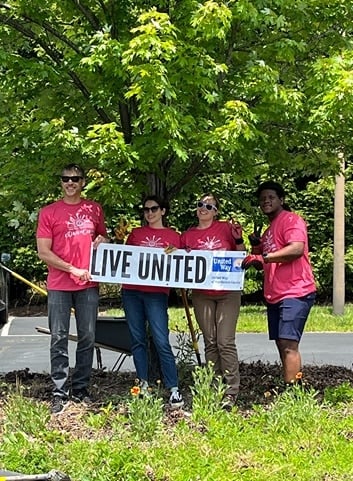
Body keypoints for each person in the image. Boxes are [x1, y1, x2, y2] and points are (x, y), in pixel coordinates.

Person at [36, 163, 109, 414]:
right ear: (61, 182)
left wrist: (103, 240)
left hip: (88, 283)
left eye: (75, 179)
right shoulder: (49, 212)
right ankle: (59, 391)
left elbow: (103, 239)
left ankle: (81, 389)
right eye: (66, 179)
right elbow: (43, 252)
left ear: (82, 182)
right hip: (59, 284)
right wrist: (71, 269)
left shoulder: (94, 209)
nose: (70, 183)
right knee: (58, 337)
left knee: (87, 337)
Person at [242, 181, 316, 384]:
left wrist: (264, 257)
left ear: (281, 200)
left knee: (288, 343)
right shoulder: (268, 232)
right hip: (275, 294)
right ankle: (290, 384)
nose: (266, 201)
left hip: (295, 290)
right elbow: (262, 264)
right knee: (281, 343)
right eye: (262, 199)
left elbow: (296, 249)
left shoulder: (291, 220)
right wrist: (256, 248)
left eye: (271, 197)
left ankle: (293, 392)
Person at [180, 193, 245, 410]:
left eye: (209, 206)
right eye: (200, 204)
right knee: (210, 341)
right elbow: (180, 263)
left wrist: (238, 239)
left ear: (216, 211)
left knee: (224, 341)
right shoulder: (187, 235)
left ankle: (231, 390)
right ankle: (215, 386)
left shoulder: (226, 228)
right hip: (202, 293)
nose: (203, 208)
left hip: (227, 291)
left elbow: (240, 255)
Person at [121, 195, 184, 409]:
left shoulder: (173, 236)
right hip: (132, 292)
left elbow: (179, 262)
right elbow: (125, 259)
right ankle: (144, 385)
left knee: (161, 340)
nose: (149, 213)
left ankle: (174, 388)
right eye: (146, 209)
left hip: (157, 292)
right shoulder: (136, 234)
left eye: (154, 209)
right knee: (137, 339)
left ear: (163, 211)